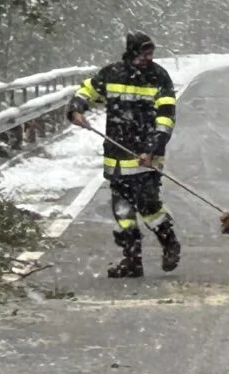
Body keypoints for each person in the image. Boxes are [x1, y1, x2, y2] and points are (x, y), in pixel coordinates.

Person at [68, 32, 180, 279]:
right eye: (143, 54)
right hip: (116, 155)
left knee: (148, 206)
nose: (147, 59)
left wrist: (153, 149)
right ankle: (132, 260)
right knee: (123, 211)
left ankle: (169, 243)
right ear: (131, 53)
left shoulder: (159, 78)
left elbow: (166, 117)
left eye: (150, 54)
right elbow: (87, 90)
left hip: (145, 156)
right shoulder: (112, 73)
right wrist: (76, 108)